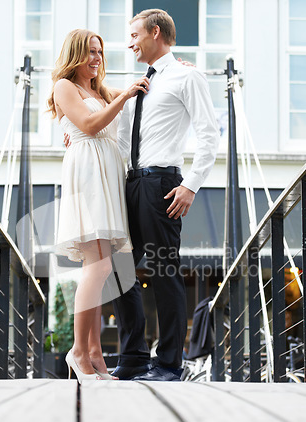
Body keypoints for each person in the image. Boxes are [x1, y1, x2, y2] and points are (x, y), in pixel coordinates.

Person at [111, 9, 220, 381]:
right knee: (117, 268)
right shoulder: (141, 83)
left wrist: (190, 184)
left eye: (134, 35)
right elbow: (124, 139)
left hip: (162, 186)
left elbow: (209, 136)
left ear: (154, 32)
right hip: (132, 184)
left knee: (163, 271)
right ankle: (134, 357)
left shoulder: (187, 76)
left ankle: (170, 363)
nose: (130, 43)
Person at [47, 29, 150, 383]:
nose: (96, 58)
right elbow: (90, 125)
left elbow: (112, 126)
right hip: (89, 175)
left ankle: (93, 354)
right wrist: (123, 97)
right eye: (90, 51)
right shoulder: (65, 86)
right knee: (100, 268)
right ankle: (78, 351)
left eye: (100, 52)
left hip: (106, 176)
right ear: (76, 53)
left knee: (101, 268)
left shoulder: (98, 91)